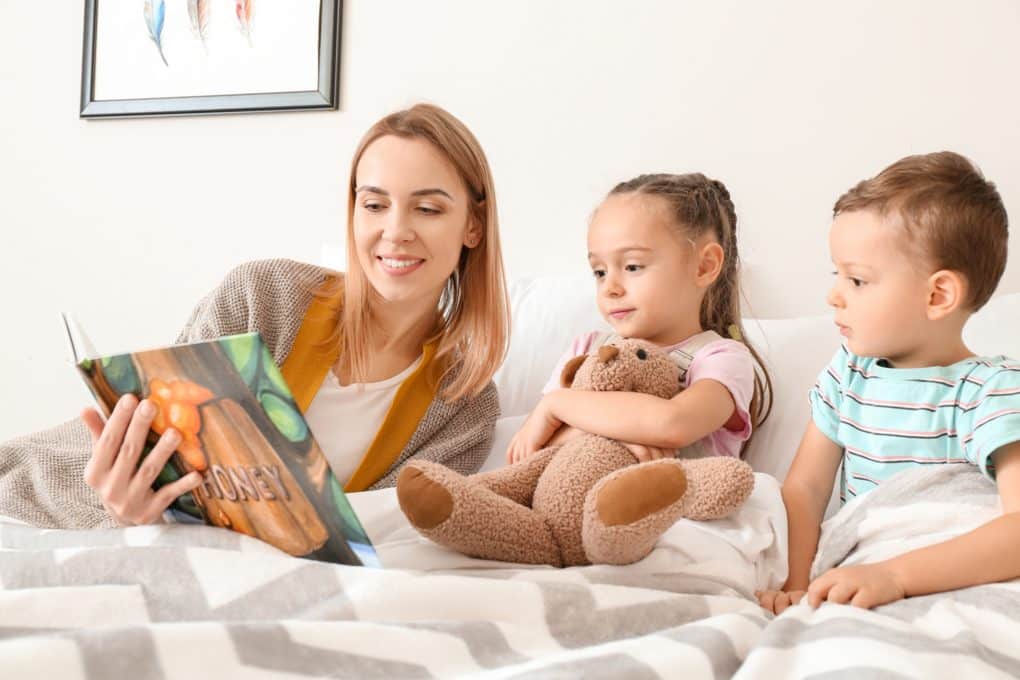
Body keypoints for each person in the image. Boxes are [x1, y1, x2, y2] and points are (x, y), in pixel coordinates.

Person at [0, 103, 510, 528]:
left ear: (473, 226)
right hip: (43, 499)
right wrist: (128, 513)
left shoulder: (465, 407)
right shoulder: (263, 296)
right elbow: (157, 445)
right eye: (374, 205)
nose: (395, 231)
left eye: (428, 209)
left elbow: (385, 535)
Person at [757, 151, 1020, 614]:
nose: (834, 295)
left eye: (857, 280)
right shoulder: (848, 377)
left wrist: (894, 576)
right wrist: (797, 584)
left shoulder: (992, 393)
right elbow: (805, 491)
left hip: (946, 578)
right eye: (836, 274)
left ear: (938, 295)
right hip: (860, 572)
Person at [506, 172, 772, 468]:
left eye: (632, 266)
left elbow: (673, 423)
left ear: (704, 266)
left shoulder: (721, 359)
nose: (610, 287)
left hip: (681, 509)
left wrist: (556, 405)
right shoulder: (587, 350)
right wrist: (619, 433)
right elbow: (530, 453)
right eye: (600, 272)